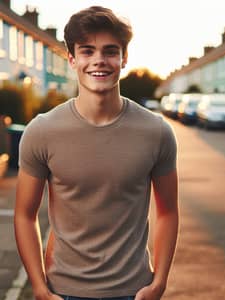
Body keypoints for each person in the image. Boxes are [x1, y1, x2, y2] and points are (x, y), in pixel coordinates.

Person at [14, 6, 179, 300]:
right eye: (87, 51)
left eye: (110, 51)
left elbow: (167, 212)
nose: (99, 61)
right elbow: (24, 215)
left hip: (134, 290)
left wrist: (159, 283)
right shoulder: (42, 131)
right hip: (63, 291)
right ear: (72, 58)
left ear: (124, 58)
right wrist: (39, 289)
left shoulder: (156, 131)